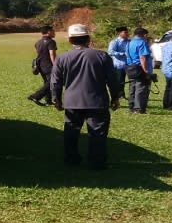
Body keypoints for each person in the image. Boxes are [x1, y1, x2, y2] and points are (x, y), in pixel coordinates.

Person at [50, 24, 121, 169]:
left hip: (72, 102)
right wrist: (115, 98)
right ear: (88, 38)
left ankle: (71, 160)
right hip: (97, 102)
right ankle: (96, 162)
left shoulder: (62, 58)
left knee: (71, 132)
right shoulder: (102, 56)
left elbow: (55, 81)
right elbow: (112, 80)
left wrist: (56, 98)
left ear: (70, 40)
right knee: (97, 133)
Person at [27, 25, 57, 106]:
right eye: (53, 31)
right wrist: (55, 65)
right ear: (48, 32)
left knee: (47, 83)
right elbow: (52, 54)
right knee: (51, 82)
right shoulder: (51, 42)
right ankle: (36, 96)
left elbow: (39, 53)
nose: (54, 32)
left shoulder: (38, 42)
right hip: (48, 65)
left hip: (40, 65)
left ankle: (48, 100)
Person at [125, 27, 152, 114]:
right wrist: (145, 70)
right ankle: (139, 108)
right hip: (139, 67)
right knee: (141, 88)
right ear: (144, 34)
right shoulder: (142, 42)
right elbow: (142, 57)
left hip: (130, 67)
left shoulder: (129, 42)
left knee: (132, 87)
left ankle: (131, 106)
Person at [107, 26, 130, 102]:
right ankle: (120, 95)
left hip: (129, 65)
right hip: (119, 65)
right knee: (120, 81)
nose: (127, 34)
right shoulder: (114, 42)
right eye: (125, 32)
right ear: (119, 33)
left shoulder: (129, 41)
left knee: (131, 81)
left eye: (127, 32)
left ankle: (128, 95)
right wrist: (122, 54)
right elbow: (110, 52)